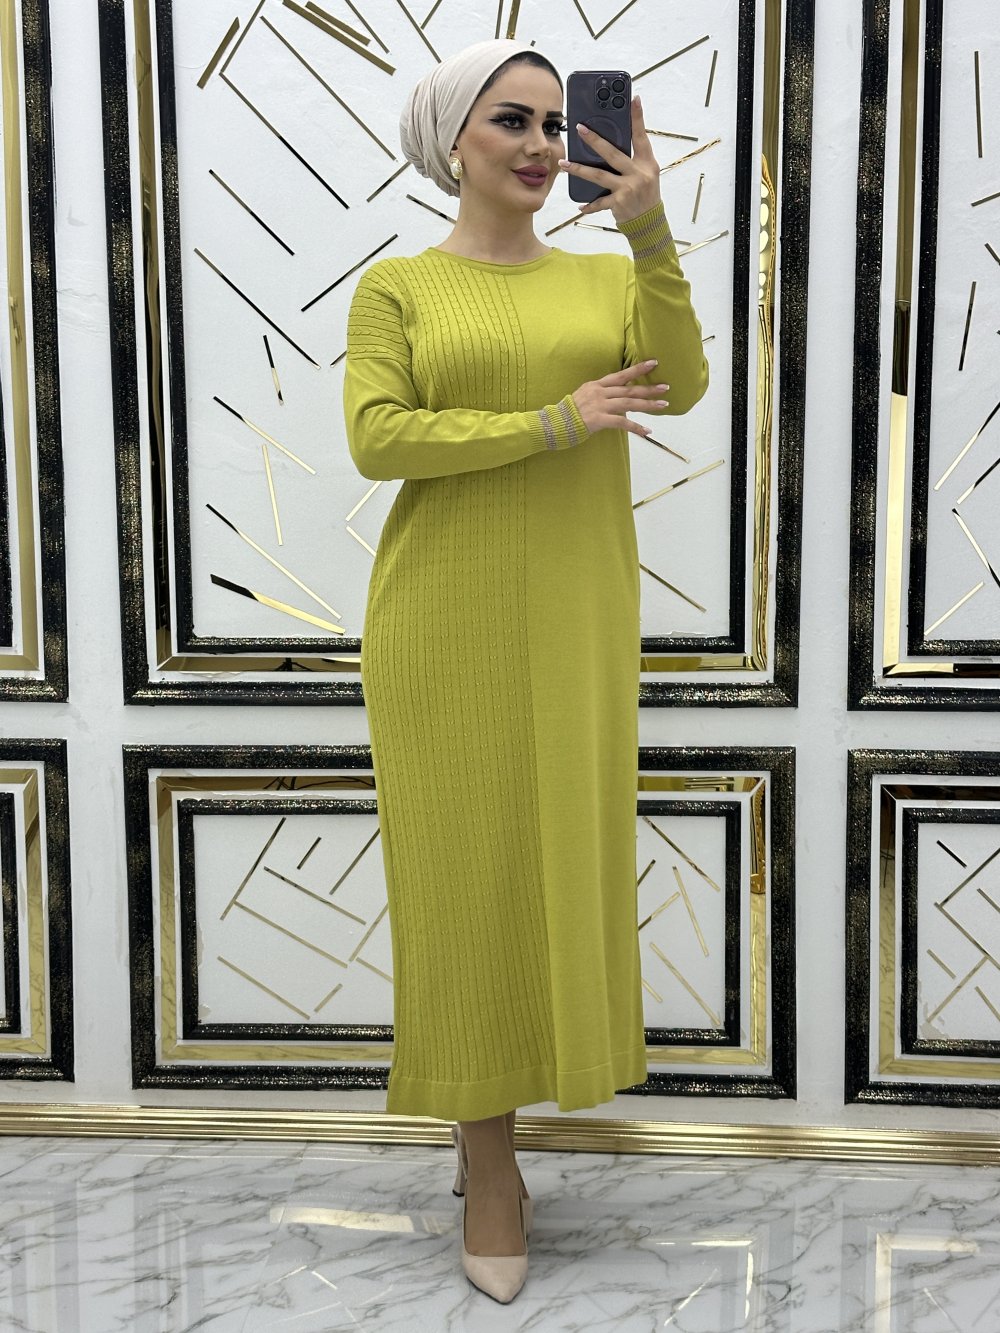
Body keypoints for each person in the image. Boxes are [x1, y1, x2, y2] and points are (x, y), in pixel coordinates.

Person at [342, 38, 708, 1303]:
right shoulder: (398, 289)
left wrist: (647, 227)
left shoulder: (602, 279)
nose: (545, 145)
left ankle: (500, 1130)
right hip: (440, 622)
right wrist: (554, 422)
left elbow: (681, 385)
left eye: (558, 122)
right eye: (513, 120)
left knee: (554, 864)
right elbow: (379, 437)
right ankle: (490, 1163)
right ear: (453, 141)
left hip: (574, 614)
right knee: (463, 882)